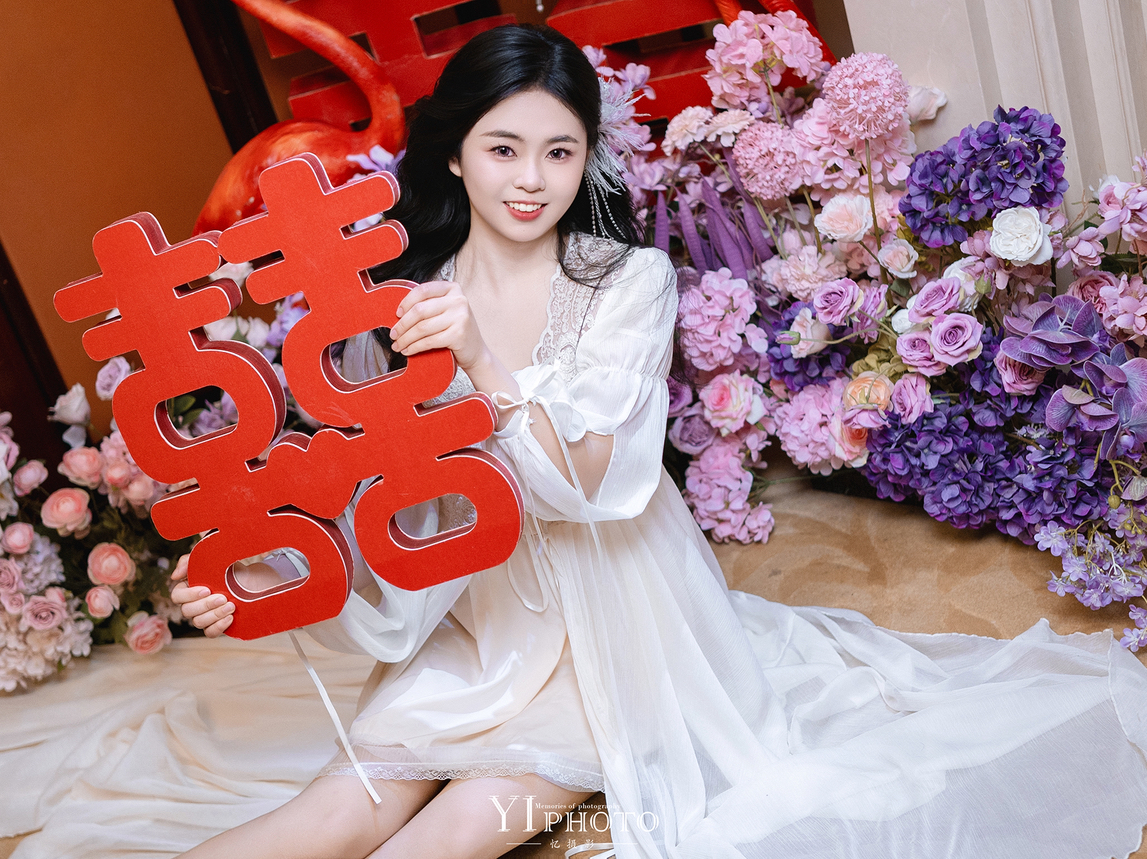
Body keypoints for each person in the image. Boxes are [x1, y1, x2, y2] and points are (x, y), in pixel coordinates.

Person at [172, 23, 1147, 859]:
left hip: (620, 630)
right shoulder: (394, 307)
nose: (531, 179)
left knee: (454, 830)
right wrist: (267, 576)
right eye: (502, 148)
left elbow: (595, 479)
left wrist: (480, 362)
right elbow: (391, 509)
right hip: (478, 624)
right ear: (454, 155)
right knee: (332, 814)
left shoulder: (624, 282)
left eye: (559, 152)